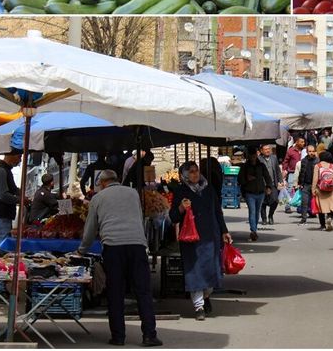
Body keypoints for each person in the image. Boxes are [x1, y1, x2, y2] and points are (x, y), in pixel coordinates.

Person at [78, 171, 162, 347]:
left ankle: (118, 337)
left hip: (113, 247)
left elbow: (90, 228)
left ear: (101, 182)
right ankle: (149, 335)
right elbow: (139, 218)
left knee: (115, 292)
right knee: (143, 291)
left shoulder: (98, 198)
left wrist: (82, 250)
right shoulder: (133, 193)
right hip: (137, 245)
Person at [169, 161, 232, 321]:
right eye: (191, 172)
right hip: (191, 240)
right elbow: (173, 217)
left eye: (196, 171)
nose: (195, 174)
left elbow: (218, 212)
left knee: (211, 272)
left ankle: (206, 296)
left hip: (211, 236)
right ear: (184, 175)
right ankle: (198, 307)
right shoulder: (181, 191)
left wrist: (224, 231)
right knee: (195, 272)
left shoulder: (208, 189)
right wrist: (181, 208)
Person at [238, 147, 270, 241]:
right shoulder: (244, 166)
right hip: (249, 193)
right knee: (252, 211)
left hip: (260, 192)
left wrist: (268, 187)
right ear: (248, 156)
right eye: (251, 155)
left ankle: (254, 229)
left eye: (254, 155)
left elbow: (267, 177)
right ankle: (253, 230)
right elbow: (240, 179)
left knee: (257, 212)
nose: (253, 157)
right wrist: (247, 179)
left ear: (256, 155)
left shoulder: (261, 166)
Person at [0, 151, 22, 243]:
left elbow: (14, 188)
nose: (20, 160)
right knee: (2, 244)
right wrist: (20, 200)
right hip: (1, 216)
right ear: (11, 155)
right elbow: (3, 195)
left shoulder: (6, 170)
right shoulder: (1, 170)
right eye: (19, 156)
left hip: (4, 216)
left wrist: (21, 194)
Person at [312, 151, 333, 231]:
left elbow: (315, 179)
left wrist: (313, 189)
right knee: (331, 206)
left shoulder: (318, 166)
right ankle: (329, 217)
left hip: (320, 189)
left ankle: (323, 225)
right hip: (331, 189)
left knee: (321, 207)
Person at [258, 144, 282, 225]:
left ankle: (270, 215)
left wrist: (280, 180)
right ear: (262, 151)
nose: (268, 150)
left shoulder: (274, 158)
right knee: (262, 203)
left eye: (269, 149)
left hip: (272, 184)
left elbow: (277, 170)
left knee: (275, 200)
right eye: (265, 149)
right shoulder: (259, 159)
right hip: (262, 184)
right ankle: (264, 218)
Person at [296, 143, 319, 225]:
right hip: (306, 184)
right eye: (310, 151)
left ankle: (322, 220)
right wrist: (300, 183)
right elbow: (302, 173)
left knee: (317, 202)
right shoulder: (304, 161)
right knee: (304, 202)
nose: (311, 153)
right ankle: (303, 219)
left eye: (313, 151)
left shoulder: (317, 161)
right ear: (307, 152)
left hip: (315, 185)